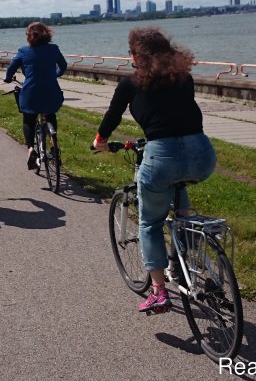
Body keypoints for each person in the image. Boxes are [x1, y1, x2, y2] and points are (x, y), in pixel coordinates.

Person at [92, 26, 216, 314]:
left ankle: (159, 291)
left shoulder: (131, 83)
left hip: (162, 157)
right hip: (202, 154)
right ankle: (189, 255)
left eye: (132, 53)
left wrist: (100, 141)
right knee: (179, 198)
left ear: (138, 56)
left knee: (149, 223)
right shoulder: (183, 77)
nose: (131, 59)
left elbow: (112, 116)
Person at [3, 22, 68, 169]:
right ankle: (54, 146)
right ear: (47, 34)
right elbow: (63, 66)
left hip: (31, 92)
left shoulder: (24, 51)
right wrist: (55, 75)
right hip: (51, 91)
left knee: (28, 119)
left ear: (28, 36)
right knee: (50, 114)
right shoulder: (54, 49)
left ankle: (31, 149)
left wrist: (8, 78)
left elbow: (11, 68)